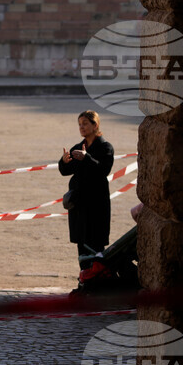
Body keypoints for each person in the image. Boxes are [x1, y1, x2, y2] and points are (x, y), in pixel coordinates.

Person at [58, 110, 115, 270]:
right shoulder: (78, 147)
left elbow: (104, 170)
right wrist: (64, 161)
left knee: (96, 244)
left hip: (96, 204)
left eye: (85, 124)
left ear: (95, 125)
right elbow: (65, 171)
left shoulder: (105, 147)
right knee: (81, 243)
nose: (81, 127)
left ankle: (97, 279)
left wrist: (87, 158)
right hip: (79, 204)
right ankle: (85, 277)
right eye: (79, 124)